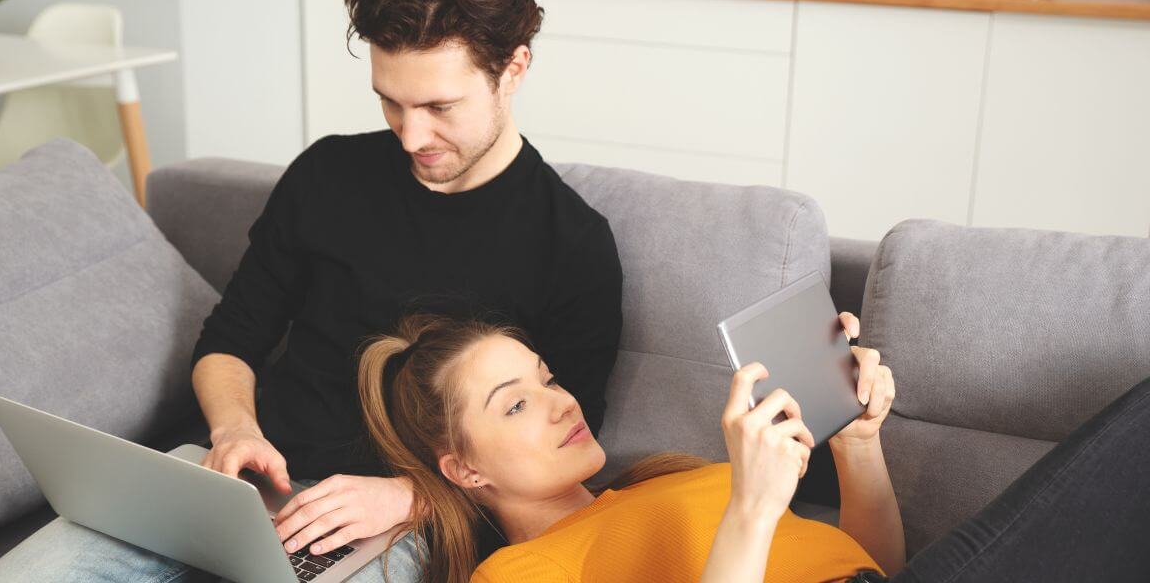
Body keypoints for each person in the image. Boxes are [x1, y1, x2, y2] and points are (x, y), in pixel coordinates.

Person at [0, 0, 622, 581]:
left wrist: (410, 494)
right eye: (391, 102)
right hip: (240, 484)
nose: (412, 134)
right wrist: (233, 432)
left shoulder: (571, 242)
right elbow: (232, 338)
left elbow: (561, 445)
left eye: (438, 106)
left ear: (513, 68)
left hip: (396, 524)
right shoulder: (328, 174)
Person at [353, 313, 1150, 583]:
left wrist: (859, 443)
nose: (561, 401)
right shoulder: (515, 573)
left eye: (547, 376)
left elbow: (864, 559)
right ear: (465, 469)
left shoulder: (665, 479)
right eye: (516, 404)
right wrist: (750, 507)